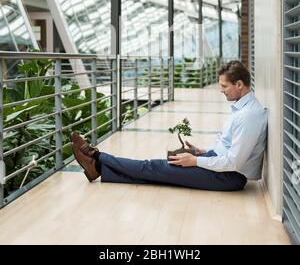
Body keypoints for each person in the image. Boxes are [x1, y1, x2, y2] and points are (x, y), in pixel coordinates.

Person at [71, 60, 268, 192]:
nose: (220, 90)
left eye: (224, 86)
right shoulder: (244, 109)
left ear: (240, 84)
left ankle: (96, 156)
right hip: (218, 164)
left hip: (228, 177)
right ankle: (98, 168)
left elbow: (235, 163)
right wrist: (202, 152)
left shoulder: (249, 116)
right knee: (159, 171)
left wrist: (195, 161)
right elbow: (230, 149)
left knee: (153, 167)